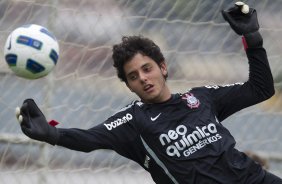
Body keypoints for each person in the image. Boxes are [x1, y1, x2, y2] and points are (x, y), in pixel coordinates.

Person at [15, 2, 282, 184]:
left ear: (163, 68)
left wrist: (253, 39)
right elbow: (89, 139)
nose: (143, 78)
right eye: (133, 76)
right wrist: (52, 134)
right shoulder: (132, 121)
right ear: (129, 86)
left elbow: (260, 89)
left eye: (147, 68)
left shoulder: (202, 98)